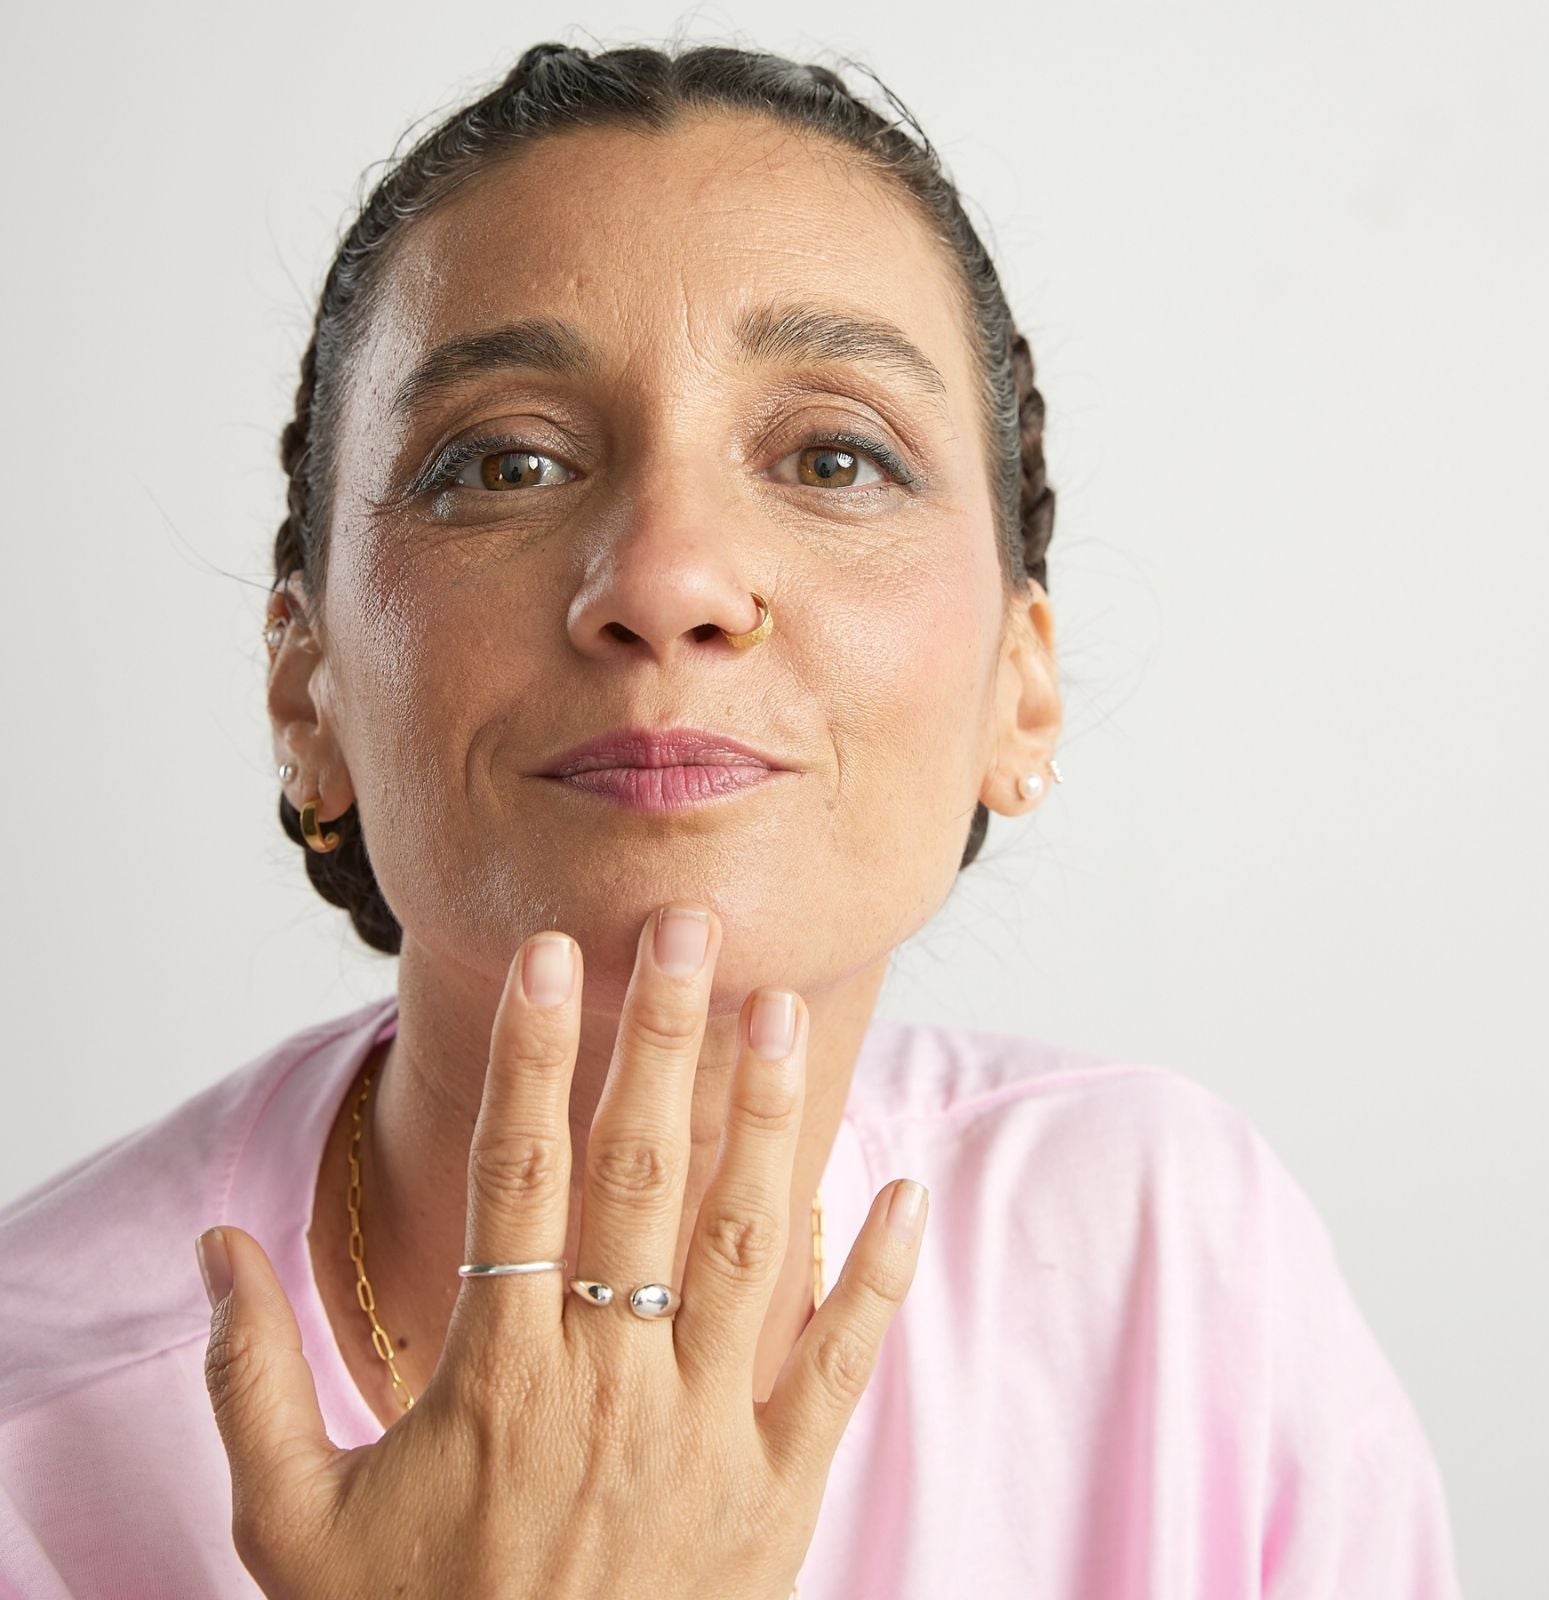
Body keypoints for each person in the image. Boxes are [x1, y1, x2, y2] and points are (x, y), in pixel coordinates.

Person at [0, 39, 1465, 1599]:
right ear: (308, 694)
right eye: (507, 462)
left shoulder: (1174, 1269)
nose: (669, 579)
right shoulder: (36, 1434)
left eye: (835, 456)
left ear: (1018, 692)